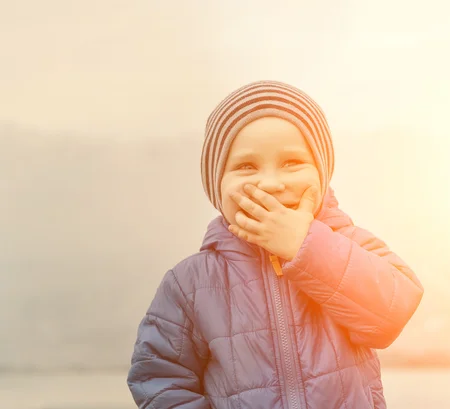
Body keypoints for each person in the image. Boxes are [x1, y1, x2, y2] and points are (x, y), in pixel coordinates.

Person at [127, 80, 424, 409]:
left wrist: (306, 246)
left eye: (291, 162)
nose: (270, 183)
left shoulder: (348, 244)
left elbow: (393, 311)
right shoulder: (190, 284)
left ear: (322, 174)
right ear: (216, 185)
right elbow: (158, 378)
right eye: (245, 166)